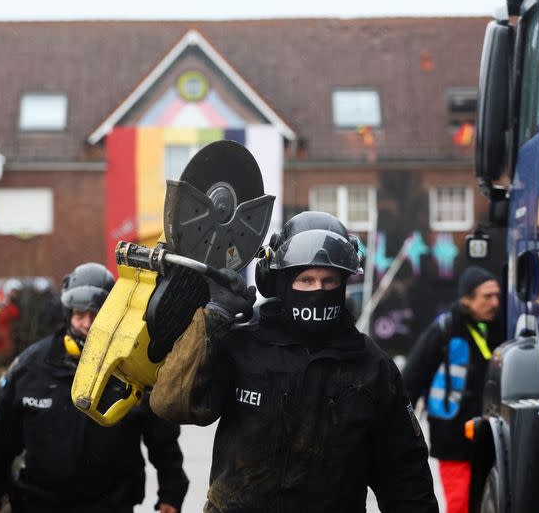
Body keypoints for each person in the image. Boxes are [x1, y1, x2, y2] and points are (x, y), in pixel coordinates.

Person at [150, 211, 438, 512]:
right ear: (282, 282)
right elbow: (171, 403)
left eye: (329, 281)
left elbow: (406, 477)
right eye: (306, 280)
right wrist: (213, 319)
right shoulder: (243, 345)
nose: (318, 290)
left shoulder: (372, 368)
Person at [0, 262, 189, 513]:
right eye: (79, 314)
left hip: (111, 505)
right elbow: (0, 438)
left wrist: (171, 494)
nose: (87, 324)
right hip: (37, 503)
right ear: (68, 313)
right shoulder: (29, 367)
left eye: (96, 314)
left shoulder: (132, 369)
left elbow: (163, 440)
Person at [402, 266, 503, 513]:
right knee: (459, 504)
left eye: (496, 295)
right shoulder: (444, 330)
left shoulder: (496, 328)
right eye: (486, 296)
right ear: (466, 299)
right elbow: (411, 380)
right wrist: (401, 433)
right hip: (453, 436)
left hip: (488, 435)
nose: (495, 302)